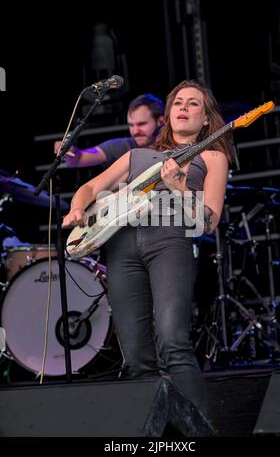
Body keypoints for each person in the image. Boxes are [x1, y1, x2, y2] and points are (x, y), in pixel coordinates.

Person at [62, 80, 234, 435]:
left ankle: (199, 433)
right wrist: (78, 207)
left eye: (193, 104)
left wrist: (181, 187)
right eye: (178, 103)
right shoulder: (137, 155)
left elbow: (209, 222)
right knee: (137, 356)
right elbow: (91, 187)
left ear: (205, 119)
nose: (183, 107)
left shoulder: (213, 157)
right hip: (122, 248)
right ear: (168, 115)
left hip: (169, 241)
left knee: (173, 341)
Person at [55, 94, 165, 168]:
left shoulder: (176, 146)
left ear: (161, 121)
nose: (135, 131)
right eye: (131, 125)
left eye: (141, 124)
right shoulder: (123, 146)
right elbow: (79, 159)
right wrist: (70, 153)